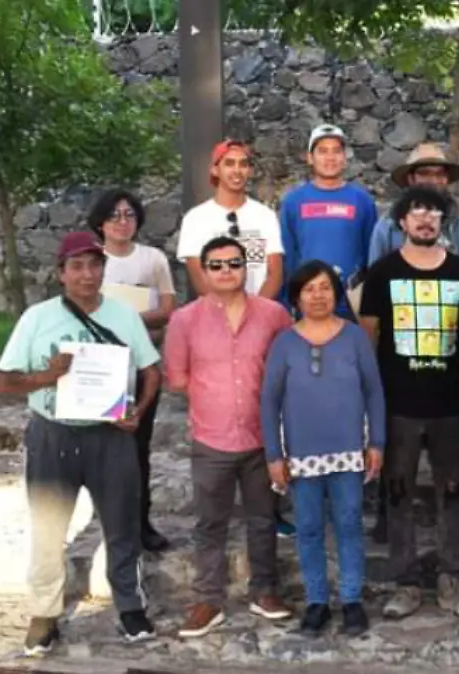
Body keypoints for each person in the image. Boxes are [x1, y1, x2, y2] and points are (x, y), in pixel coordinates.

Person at [0, 231, 162, 654]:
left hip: (110, 438)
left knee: (122, 525)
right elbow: (3, 382)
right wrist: (47, 377)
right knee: (48, 528)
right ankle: (44, 613)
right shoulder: (37, 319)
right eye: (77, 266)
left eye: (95, 265)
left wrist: (138, 411)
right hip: (53, 434)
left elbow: (151, 371)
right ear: (61, 273)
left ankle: (130, 605)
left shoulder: (124, 316)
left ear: (104, 269)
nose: (87, 274)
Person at [358, 187, 459, 620]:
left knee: (454, 493)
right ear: (402, 222)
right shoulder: (382, 273)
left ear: (443, 221)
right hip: (399, 406)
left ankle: (453, 578)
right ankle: (406, 583)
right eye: (417, 211)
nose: (426, 218)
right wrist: (369, 405)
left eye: (433, 211)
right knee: (398, 495)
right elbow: (367, 341)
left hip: (450, 406)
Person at [164, 236, 295, 638]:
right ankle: (209, 600)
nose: (226, 271)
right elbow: (177, 378)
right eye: (216, 265)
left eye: (234, 263)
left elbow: (288, 367)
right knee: (210, 523)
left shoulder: (274, 315)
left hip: (261, 438)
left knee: (263, 519)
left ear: (246, 267)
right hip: (212, 439)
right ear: (204, 271)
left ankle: (264, 591)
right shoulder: (184, 320)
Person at [261, 260, 386, 637]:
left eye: (325, 287)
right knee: (309, 528)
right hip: (301, 455)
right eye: (309, 289)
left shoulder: (354, 337)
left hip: (348, 451)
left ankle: (351, 600)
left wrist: (376, 442)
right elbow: (269, 401)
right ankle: (316, 602)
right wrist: (274, 455)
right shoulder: (284, 342)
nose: (318, 296)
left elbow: (373, 391)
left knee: (349, 524)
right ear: (296, 297)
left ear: (336, 293)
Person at [87, 189, 177, 552]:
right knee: (104, 447)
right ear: (100, 223)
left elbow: (167, 308)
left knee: (139, 446)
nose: (122, 222)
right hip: (101, 366)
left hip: (142, 365)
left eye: (129, 214)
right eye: (114, 215)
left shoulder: (152, 259)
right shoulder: (92, 261)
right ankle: (111, 523)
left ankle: (142, 523)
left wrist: (128, 320)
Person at [278, 124, 379, 319]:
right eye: (323, 151)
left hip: (350, 306)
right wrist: (287, 304)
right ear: (310, 158)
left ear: (345, 157)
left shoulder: (363, 201)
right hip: (307, 304)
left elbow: (371, 257)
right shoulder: (293, 202)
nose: (330, 158)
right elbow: (287, 257)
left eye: (336, 151)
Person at [177, 139, 285, 300]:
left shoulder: (265, 216)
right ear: (215, 170)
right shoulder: (195, 218)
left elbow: (275, 274)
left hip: (259, 308)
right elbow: (199, 277)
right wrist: (227, 309)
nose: (237, 170)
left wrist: (256, 310)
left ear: (250, 171)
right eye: (229, 163)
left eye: (243, 164)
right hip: (215, 311)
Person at [367, 143, 459, 268]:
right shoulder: (389, 225)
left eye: (440, 174)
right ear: (411, 178)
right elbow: (376, 274)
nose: (434, 180)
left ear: (447, 179)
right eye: (425, 173)